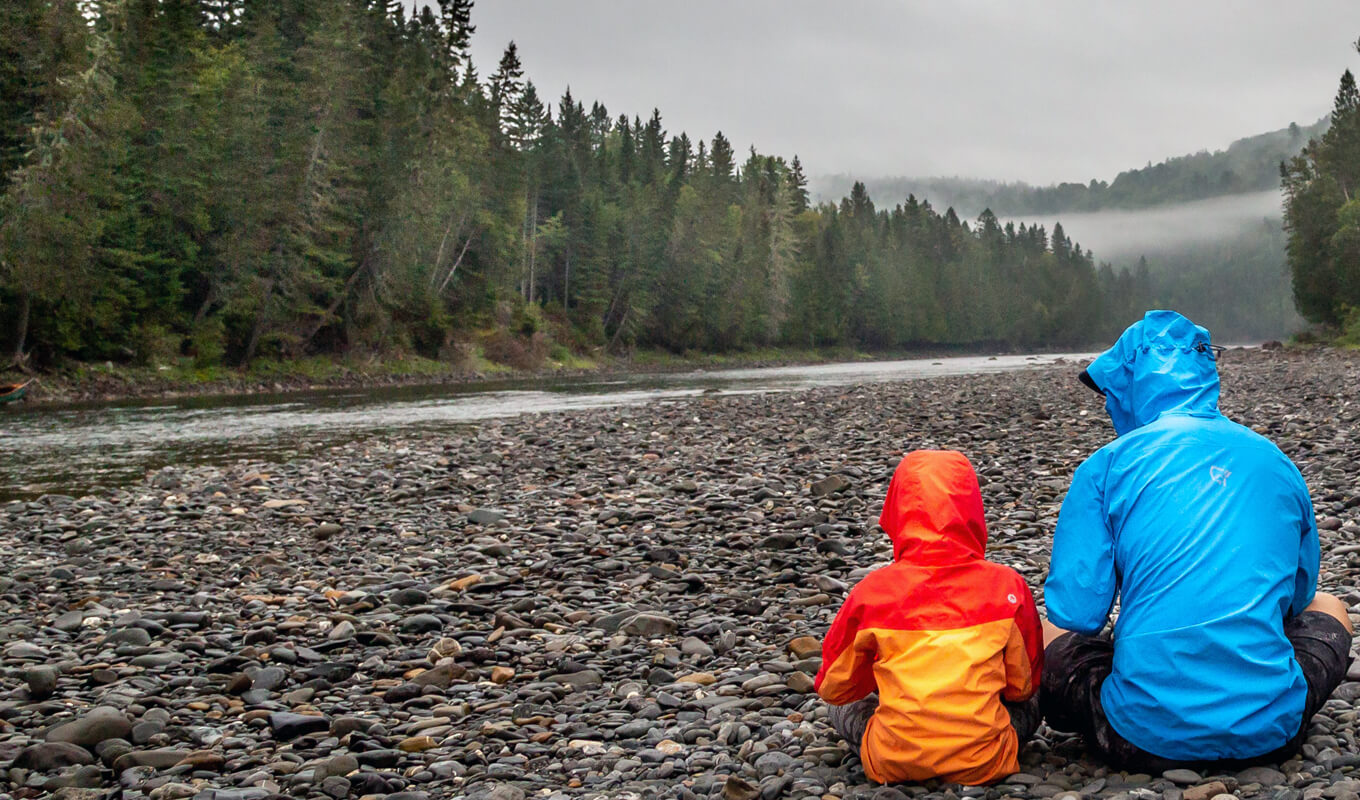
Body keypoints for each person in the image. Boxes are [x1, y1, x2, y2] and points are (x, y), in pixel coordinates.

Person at [1043, 310, 1354, 771]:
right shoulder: (1276, 461)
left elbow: (1077, 614)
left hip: (1140, 738)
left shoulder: (1105, 467)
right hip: (1270, 733)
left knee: (1046, 630)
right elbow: (1301, 596)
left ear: (1129, 386)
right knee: (1332, 607)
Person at [815, 449, 1044, 785]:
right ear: (973, 511)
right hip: (986, 760)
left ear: (897, 509)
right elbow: (1022, 688)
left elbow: (834, 688)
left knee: (841, 707)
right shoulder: (1007, 585)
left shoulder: (871, 592)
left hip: (892, 760)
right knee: (1038, 692)